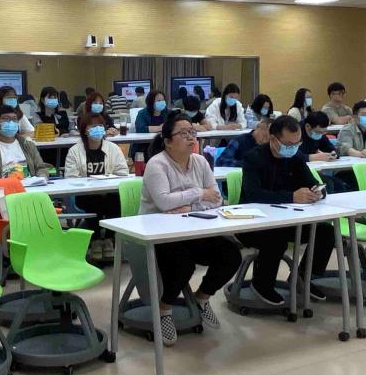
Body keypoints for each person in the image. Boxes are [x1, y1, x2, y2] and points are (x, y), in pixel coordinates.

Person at [139, 115, 241, 346]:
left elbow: (217, 199)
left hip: (194, 228)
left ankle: (201, 297)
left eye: (192, 133)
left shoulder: (200, 161)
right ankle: (164, 309)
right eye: (183, 133)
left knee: (230, 254)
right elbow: (164, 202)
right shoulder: (157, 164)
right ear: (168, 141)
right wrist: (198, 193)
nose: (190, 138)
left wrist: (190, 206)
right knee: (183, 264)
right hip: (159, 233)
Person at [238, 115, 337, 304]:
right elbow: (253, 195)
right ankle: (262, 285)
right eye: (289, 144)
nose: (293, 147)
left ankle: (303, 277)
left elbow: (313, 183)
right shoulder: (253, 158)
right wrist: (291, 197)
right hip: (253, 223)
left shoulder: (295, 157)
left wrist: (317, 192)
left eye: (297, 143)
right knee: (275, 238)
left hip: (288, 219)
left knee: (325, 232)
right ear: (273, 139)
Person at [64, 113, 130, 261]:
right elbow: (70, 178)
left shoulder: (113, 148)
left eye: (100, 126)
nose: (98, 129)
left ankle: (109, 238)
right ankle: (95, 240)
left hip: (109, 193)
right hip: (85, 195)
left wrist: (108, 180)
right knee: (94, 202)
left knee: (115, 200)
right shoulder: (75, 151)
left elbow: (123, 171)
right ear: (85, 130)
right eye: (93, 126)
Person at [0, 105, 54, 212]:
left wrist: (42, 178)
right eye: (6, 119)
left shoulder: (28, 144)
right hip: (2, 196)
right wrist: (3, 184)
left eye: (14, 119)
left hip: (30, 192)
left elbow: (41, 167)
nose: (11, 122)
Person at [133, 89, 170, 157]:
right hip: (144, 146)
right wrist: (160, 128)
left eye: (163, 100)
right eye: (159, 101)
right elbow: (140, 129)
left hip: (164, 145)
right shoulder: (142, 113)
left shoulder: (168, 113)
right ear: (151, 102)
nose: (162, 102)